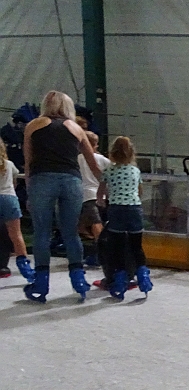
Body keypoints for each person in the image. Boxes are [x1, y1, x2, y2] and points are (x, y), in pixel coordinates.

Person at [21, 90, 104, 303]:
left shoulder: (33, 126)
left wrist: (30, 191)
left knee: (41, 232)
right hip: (71, 181)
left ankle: (41, 282)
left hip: (41, 179)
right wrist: (107, 186)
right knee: (71, 233)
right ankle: (78, 279)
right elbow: (93, 163)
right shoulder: (76, 128)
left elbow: (28, 162)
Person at [97, 136, 153, 299]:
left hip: (116, 210)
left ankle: (120, 280)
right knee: (136, 246)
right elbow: (140, 191)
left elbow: (101, 192)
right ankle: (143, 276)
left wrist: (102, 201)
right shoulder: (135, 171)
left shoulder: (108, 171)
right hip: (134, 209)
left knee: (118, 247)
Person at [0, 141, 34, 281]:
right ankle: (25, 267)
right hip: (9, 198)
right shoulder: (9, 164)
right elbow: (14, 183)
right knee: (16, 235)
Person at [77, 131, 111, 267]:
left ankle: (101, 254)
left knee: (95, 225)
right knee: (95, 224)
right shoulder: (103, 160)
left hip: (86, 196)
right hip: (101, 196)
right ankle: (101, 252)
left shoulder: (77, 159)